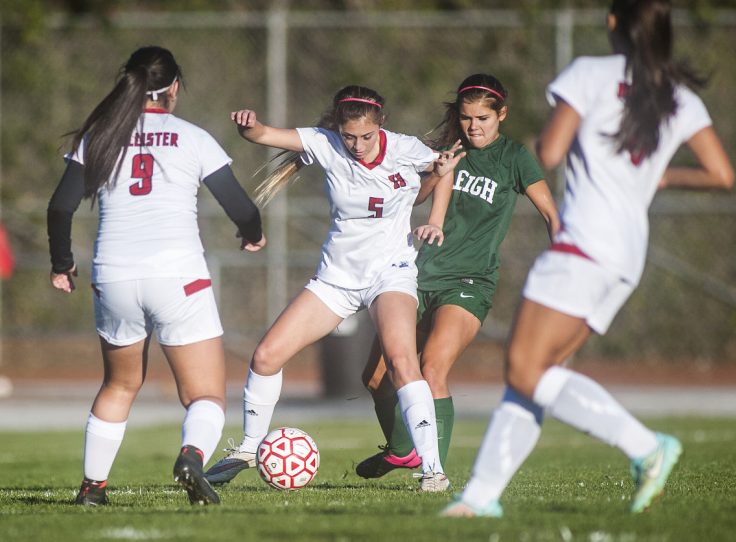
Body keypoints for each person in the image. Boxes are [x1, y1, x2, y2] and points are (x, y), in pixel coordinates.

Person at [441, 0, 734, 518]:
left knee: (524, 366)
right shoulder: (679, 95)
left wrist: (534, 141)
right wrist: (663, 176)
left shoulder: (590, 73)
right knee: (536, 370)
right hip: (626, 254)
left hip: (584, 243)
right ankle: (479, 499)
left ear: (613, 23)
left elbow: (549, 153)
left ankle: (646, 446)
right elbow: (721, 175)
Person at [203, 85, 462, 492]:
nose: (357, 145)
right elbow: (265, 135)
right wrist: (248, 127)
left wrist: (437, 219)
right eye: (349, 136)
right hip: (336, 279)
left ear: (382, 126)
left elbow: (443, 172)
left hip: (389, 274)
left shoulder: (405, 148)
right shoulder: (324, 143)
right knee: (267, 355)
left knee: (401, 362)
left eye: (366, 136)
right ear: (337, 129)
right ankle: (249, 449)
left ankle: (433, 470)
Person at [47, 46, 266, 506]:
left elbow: (60, 207)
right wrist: (251, 234)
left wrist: (62, 263)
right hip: (177, 277)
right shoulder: (192, 136)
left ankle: (92, 489)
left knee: (120, 385)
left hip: (115, 276)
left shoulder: (99, 136)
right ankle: (190, 456)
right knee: (204, 393)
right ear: (175, 89)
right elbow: (241, 207)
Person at [355, 74, 560, 480]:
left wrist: (565, 270)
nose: (474, 126)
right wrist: (438, 169)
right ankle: (401, 450)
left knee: (431, 368)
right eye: (466, 118)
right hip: (416, 275)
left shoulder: (515, 158)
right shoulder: (447, 151)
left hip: (469, 281)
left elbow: (552, 215)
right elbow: (412, 197)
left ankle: (434, 472)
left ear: (502, 115)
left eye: (483, 117)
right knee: (376, 377)